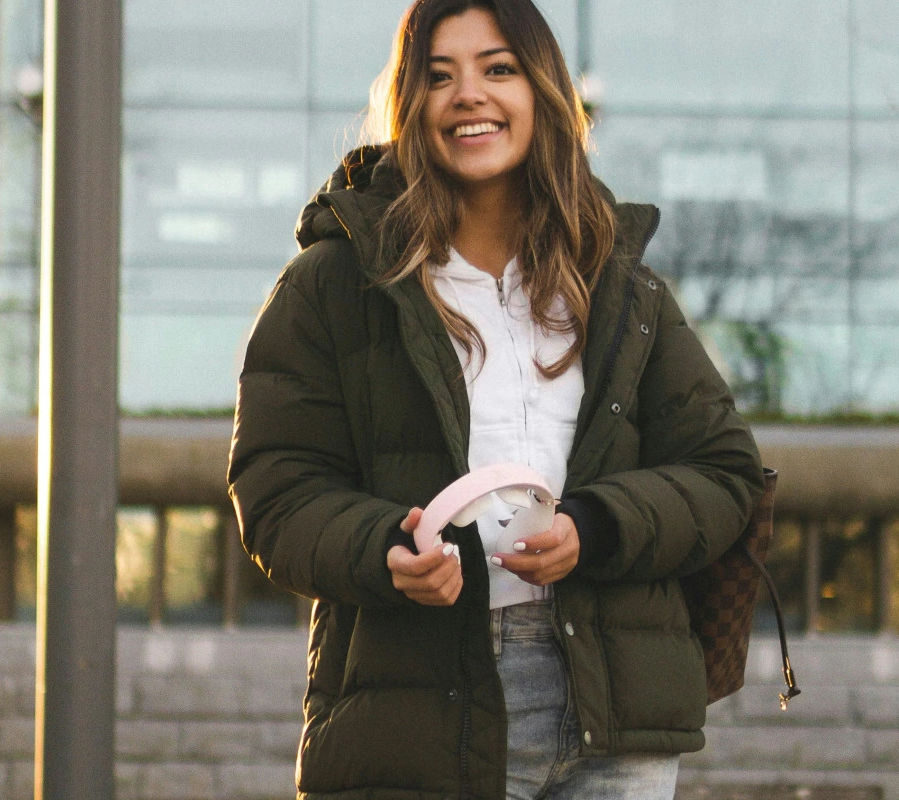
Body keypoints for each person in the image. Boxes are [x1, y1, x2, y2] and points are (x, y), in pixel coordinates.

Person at [227, 1, 764, 797]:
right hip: (417, 711)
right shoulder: (334, 282)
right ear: (411, 106)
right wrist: (385, 547)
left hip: (612, 712)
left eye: (497, 68)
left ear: (543, 92)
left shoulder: (619, 284)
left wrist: (595, 526)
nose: (468, 94)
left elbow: (725, 474)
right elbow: (275, 490)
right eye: (439, 76)